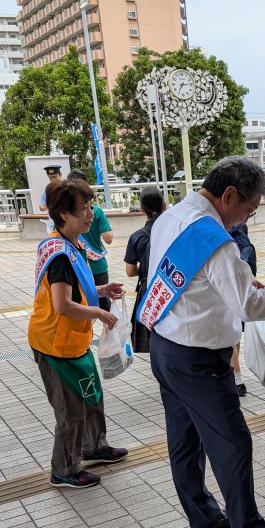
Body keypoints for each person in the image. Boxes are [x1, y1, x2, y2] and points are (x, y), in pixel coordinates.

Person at [144, 156, 265, 528]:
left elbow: (189, 280)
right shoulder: (215, 238)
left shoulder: (174, 215)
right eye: (249, 208)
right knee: (234, 444)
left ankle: (203, 515)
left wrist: (236, 277)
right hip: (199, 362)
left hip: (165, 347)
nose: (247, 219)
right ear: (228, 196)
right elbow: (249, 304)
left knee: (184, 441)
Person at [28, 178, 128, 489]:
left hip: (75, 342)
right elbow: (62, 305)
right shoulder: (59, 254)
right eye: (83, 209)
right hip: (54, 345)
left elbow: (75, 291)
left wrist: (100, 290)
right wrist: (99, 311)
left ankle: (94, 447)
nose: (90, 214)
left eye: (90, 206)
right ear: (63, 215)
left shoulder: (74, 244)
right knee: (70, 412)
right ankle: (64, 470)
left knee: (91, 397)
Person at [124, 186, 165, 353]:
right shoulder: (172, 230)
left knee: (150, 338)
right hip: (170, 287)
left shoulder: (137, 236)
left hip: (147, 289)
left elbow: (130, 271)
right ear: (164, 206)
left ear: (142, 209)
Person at [67, 170, 113, 311]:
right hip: (96, 266)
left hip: (77, 266)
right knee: (104, 307)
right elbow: (108, 238)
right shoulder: (97, 212)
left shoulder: (67, 216)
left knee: (82, 302)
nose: (90, 214)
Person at [228, 222, 257, 398]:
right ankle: (234, 374)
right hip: (243, 291)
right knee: (236, 332)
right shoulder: (242, 233)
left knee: (230, 335)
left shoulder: (224, 236)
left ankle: (237, 380)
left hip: (228, 290)